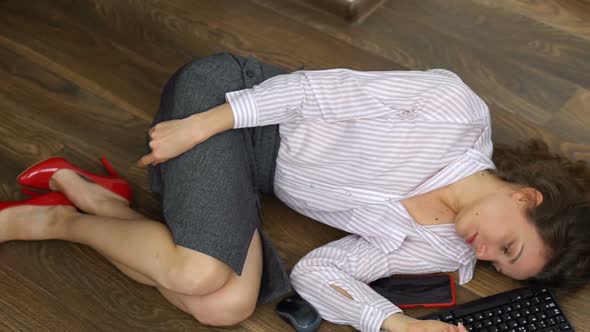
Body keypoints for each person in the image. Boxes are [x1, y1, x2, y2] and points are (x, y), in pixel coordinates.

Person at [1, 53, 588, 332]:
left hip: (256, 176)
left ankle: (99, 202)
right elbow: (316, 92)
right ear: (526, 198)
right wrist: (209, 122)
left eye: (498, 266)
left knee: (223, 306)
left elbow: (318, 273)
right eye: (507, 247)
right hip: (237, 102)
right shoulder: (452, 111)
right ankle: (51, 221)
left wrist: (398, 326)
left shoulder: (443, 252)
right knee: (201, 276)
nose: (483, 255)